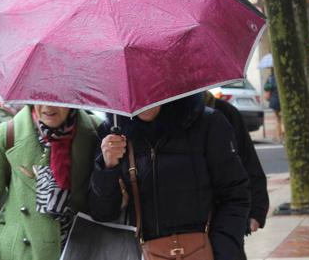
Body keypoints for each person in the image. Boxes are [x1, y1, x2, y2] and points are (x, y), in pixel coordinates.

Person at [89, 94, 251, 260]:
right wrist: (107, 168)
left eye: (150, 87)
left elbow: (235, 196)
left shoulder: (208, 123)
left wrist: (220, 253)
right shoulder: (111, 134)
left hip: (206, 252)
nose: (143, 98)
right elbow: (103, 214)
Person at [0, 105, 99, 260]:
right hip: (25, 254)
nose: (48, 106)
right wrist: (5, 246)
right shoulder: (5, 136)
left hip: (85, 251)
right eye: (40, 98)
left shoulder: (97, 132)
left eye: (55, 99)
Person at [205, 93, 269, 260]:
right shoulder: (159, 118)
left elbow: (248, 160)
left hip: (224, 214)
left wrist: (257, 208)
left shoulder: (224, 112)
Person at [264, 70, 283, 140]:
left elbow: (266, 88)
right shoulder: (283, 76)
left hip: (274, 101)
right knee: (282, 119)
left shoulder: (271, 78)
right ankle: (282, 135)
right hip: (282, 100)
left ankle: (278, 136)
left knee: (278, 119)